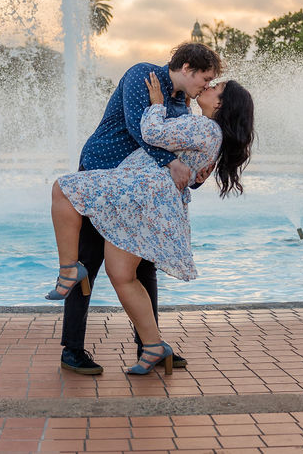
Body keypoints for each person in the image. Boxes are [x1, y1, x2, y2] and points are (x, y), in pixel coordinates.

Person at [48, 52, 256, 375]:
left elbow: (168, 147)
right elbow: (138, 128)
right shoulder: (143, 77)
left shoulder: (183, 107)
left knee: (135, 272)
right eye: (206, 78)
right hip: (105, 172)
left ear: (220, 105)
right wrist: (173, 162)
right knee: (90, 262)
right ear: (188, 69)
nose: (207, 85)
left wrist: (187, 169)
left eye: (213, 84)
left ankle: (151, 346)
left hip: (137, 193)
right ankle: (73, 348)